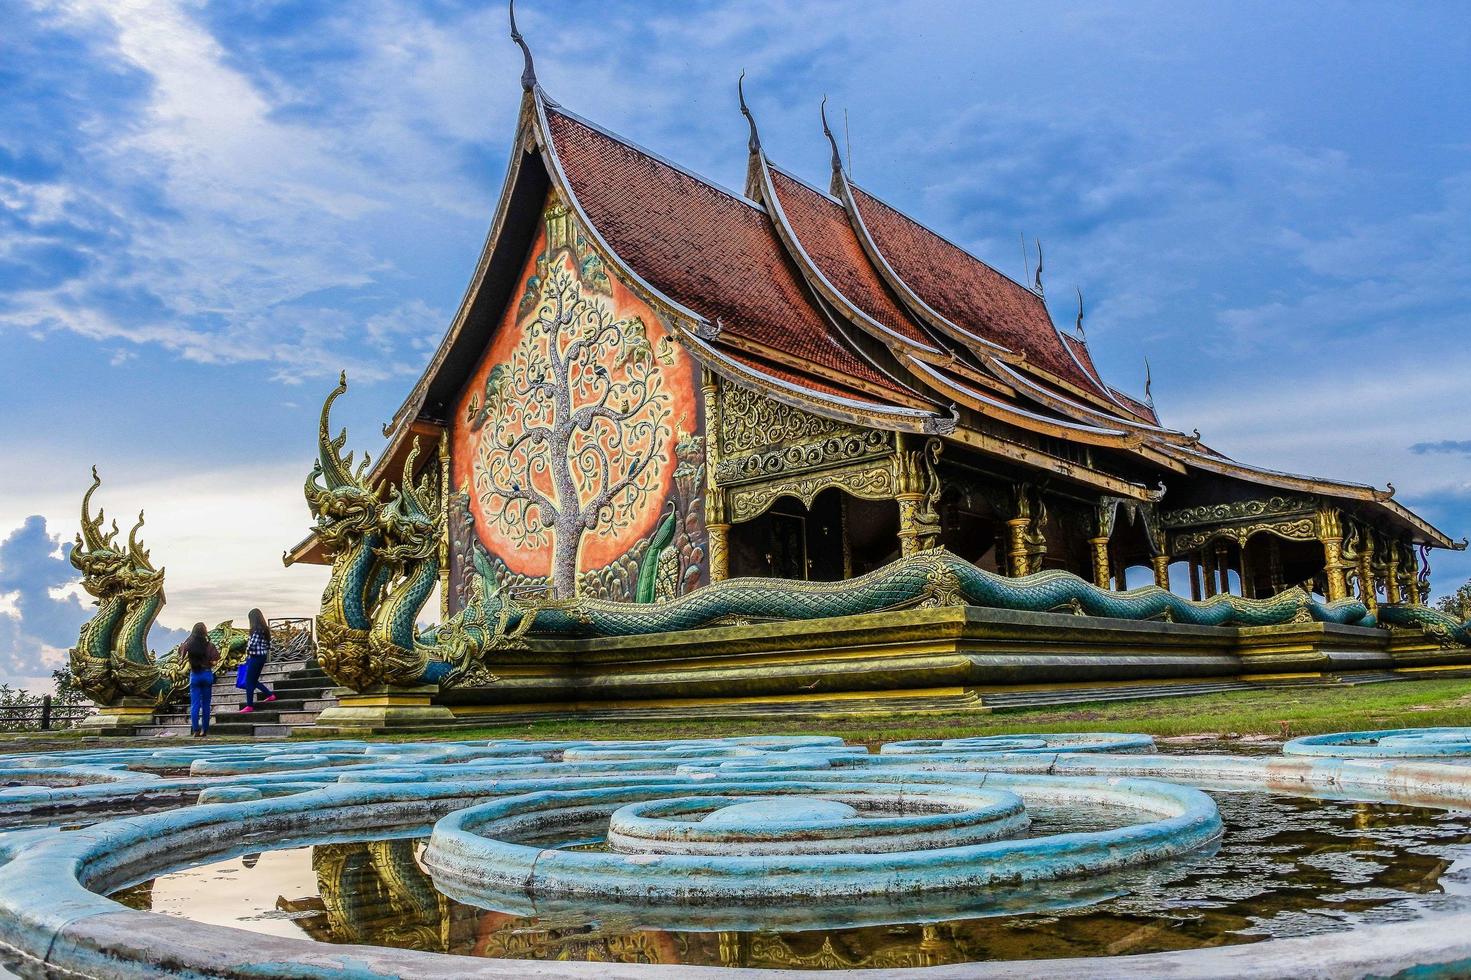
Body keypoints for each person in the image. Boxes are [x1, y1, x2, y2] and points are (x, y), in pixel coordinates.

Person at [182, 623, 220, 737]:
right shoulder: (210, 645)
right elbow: (215, 661)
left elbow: (181, 658)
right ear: (205, 632)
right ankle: (204, 730)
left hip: (195, 675)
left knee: (195, 705)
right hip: (207, 674)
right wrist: (208, 663)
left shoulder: (189, 644)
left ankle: (196, 730)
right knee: (206, 705)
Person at [239, 608, 276, 713]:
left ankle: (249, 705)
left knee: (249, 681)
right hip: (262, 657)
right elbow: (269, 645)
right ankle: (270, 694)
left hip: (255, 657)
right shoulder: (265, 629)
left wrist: (247, 651)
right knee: (254, 680)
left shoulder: (256, 629)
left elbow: (252, 644)